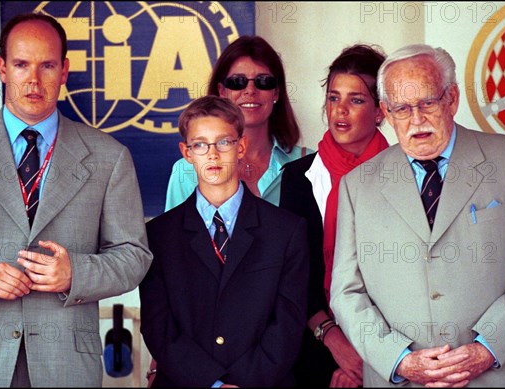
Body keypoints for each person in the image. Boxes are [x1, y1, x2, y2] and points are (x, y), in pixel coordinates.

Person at [330, 43, 505, 387]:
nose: (416, 119)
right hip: (404, 379)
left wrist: (487, 348)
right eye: (402, 109)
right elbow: (346, 292)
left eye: (427, 103)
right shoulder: (356, 185)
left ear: (451, 99)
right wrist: (399, 360)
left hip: (502, 374)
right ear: (387, 113)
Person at [0, 13, 152, 387]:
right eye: (21, 64)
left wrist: (75, 274)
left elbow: (134, 255)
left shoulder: (109, 156)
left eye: (47, 65)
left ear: (64, 71)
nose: (33, 79)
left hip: (66, 365)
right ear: (1, 68)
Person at [140, 95, 309, 387]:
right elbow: (159, 326)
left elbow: (288, 324)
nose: (213, 154)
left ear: (241, 146)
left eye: (224, 142)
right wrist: (212, 382)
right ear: (186, 152)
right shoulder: (158, 235)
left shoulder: (286, 230)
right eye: (200, 144)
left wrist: (243, 382)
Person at [280, 44, 388, 388]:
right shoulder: (298, 176)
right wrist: (336, 344)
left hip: (390, 350)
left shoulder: (405, 175)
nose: (339, 111)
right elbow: (294, 274)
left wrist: (364, 356)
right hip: (314, 348)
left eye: (356, 100)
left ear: (380, 111)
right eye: (333, 97)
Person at [164, 35, 312, 211]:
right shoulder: (186, 170)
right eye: (237, 82)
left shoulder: (308, 164)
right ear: (222, 91)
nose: (250, 90)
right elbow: (176, 235)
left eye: (263, 81)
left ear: (276, 92)